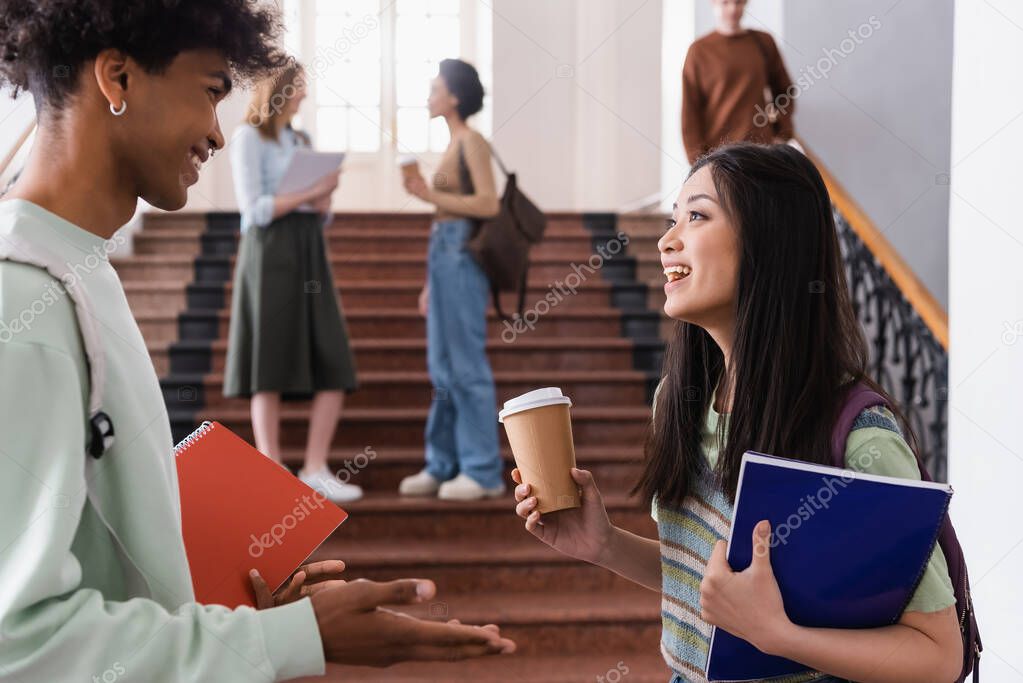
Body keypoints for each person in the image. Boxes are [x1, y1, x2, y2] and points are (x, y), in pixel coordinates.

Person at [0, 2, 514, 680]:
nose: (216, 134)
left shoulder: (79, 269)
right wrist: (289, 638)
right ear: (117, 79)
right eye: (211, 92)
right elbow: (22, 645)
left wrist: (248, 623)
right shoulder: (22, 302)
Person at [512, 144, 963, 682]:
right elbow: (714, 582)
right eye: (671, 219)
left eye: (696, 216)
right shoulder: (678, 401)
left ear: (769, 242)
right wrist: (604, 544)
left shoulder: (858, 437)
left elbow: (938, 655)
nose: (665, 241)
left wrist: (778, 636)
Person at [225, 59, 362, 504]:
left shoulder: (301, 140)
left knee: (333, 357)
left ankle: (316, 467)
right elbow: (254, 209)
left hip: (309, 250)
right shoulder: (249, 137)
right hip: (269, 253)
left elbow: (319, 215)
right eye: (299, 86)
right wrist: (307, 193)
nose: (304, 93)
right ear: (279, 89)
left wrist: (324, 199)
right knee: (269, 361)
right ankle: (271, 467)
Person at [399, 58, 505, 501]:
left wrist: (429, 194)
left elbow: (488, 204)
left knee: (465, 366)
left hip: (461, 255)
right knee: (441, 368)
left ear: (454, 97)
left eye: (435, 88)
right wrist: (429, 283)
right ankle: (441, 464)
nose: (429, 97)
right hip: (443, 255)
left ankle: (483, 471)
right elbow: (449, 209)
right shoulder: (451, 143)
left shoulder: (472, 141)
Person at [681, 0, 795, 164]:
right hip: (721, 158)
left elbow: (785, 91)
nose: (733, 8)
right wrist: (698, 162)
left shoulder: (763, 42)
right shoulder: (699, 51)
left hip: (762, 152)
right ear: (714, 3)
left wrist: (781, 134)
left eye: (738, 2)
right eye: (725, 2)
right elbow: (690, 114)